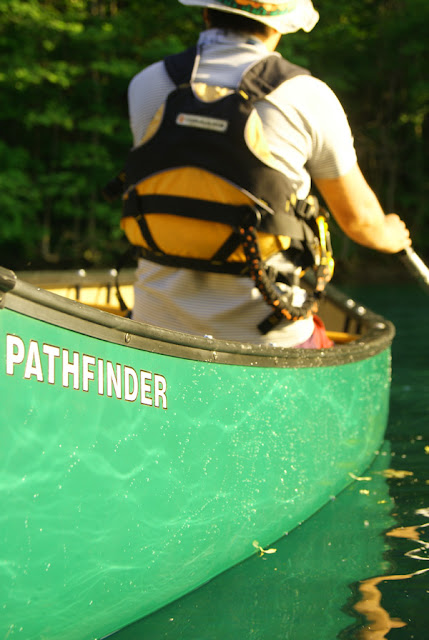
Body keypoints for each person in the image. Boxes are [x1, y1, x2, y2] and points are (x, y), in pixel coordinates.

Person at [121, 0, 411, 348]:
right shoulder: (309, 96)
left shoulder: (147, 84)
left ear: (206, 12)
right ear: (279, 25)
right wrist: (392, 235)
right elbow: (361, 223)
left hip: (154, 325)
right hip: (270, 339)